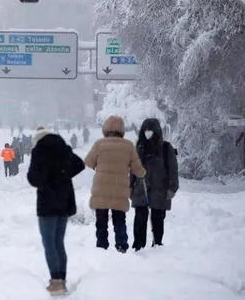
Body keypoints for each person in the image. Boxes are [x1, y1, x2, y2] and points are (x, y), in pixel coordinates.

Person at [27, 128, 84, 296]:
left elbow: (34, 178)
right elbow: (79, 164)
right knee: (59, 242)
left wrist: (47, 177)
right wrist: (63, 175)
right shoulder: (63, 148)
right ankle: (62, 280)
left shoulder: (39, 151)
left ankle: (56, 282)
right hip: (64, 201)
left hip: (47, 203)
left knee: (49, 242)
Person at [84, 115, 146, 253]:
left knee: (101, 221)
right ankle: (121, 246)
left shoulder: (99, 144)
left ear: (106, 129)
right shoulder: (128, 146)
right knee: (119, 221)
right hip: (119, 189)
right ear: (122, 130)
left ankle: (101, 246)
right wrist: (143, 173)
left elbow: (88, 161)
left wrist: (98, 166)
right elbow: (138, 169)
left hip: (101, 189)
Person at [131, 118, 179, 250]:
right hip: (141, 189)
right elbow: (132, 169)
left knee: (158, 218)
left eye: (150, 131)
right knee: (140, 218)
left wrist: (172, 188)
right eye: (145, 130)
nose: (148, 133)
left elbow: (173, 170)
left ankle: (157, 244)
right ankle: (138, 246)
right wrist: (130, 186)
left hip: (159, 189)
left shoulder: (165, 148)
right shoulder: (139, 148)